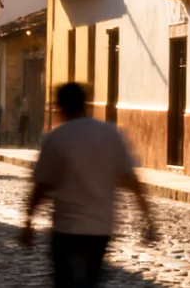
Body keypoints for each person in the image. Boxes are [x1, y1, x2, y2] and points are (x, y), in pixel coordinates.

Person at [19, 83, 158, 287]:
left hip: (66, 228)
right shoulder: (110, 134)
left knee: (65, 282)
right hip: (100, 229)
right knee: (91, 281)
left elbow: (41, 185)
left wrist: (28, 222)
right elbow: (131, 180)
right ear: (86, 104)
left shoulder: (56, 138)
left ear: (60, 108)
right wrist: (147, 218)